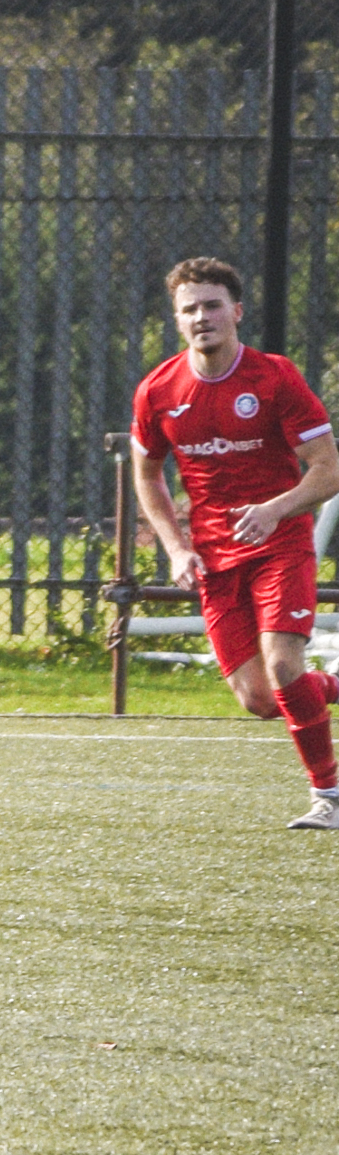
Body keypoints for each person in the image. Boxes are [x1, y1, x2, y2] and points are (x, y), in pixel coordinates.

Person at [129, 255, 339, 829]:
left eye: (212, 305)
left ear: (237, 312)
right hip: (217, 560)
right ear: (177, 320)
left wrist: (274, 511)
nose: (202, 317)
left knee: (283, 663)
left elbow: (327, 469)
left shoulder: (275, 378)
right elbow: (146, 473)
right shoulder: (158, 391)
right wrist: (176, 547)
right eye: (189, 309)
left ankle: (330, 796)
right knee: (260, 699)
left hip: (281, 544)